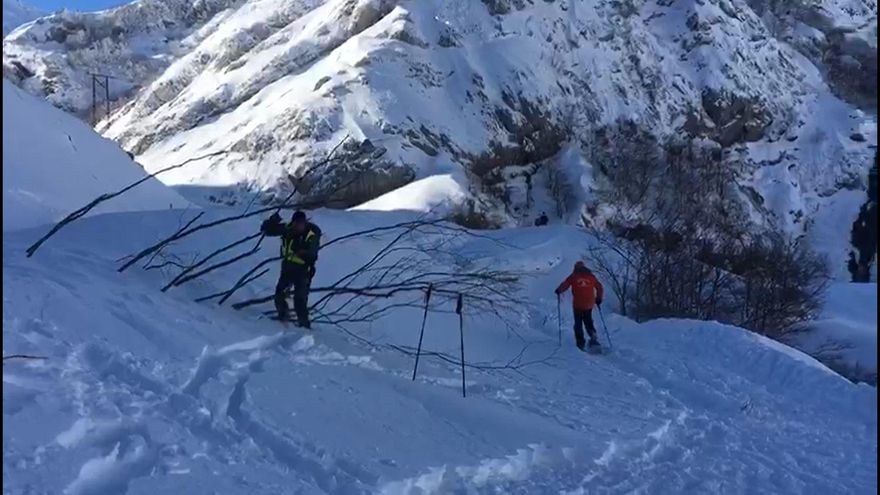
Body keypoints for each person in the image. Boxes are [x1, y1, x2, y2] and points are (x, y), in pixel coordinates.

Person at [261, 210, 322, 328]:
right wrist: (272, 222)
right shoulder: (288, 229)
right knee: (279, 294)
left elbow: (312, 254)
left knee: (299, 299)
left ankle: (304, 326)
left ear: (305, 223)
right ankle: (283, 316)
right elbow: (267, 231)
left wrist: (300, 250)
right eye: (296, 223)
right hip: (287, 267)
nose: (298, 226)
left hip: (303, 269)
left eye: (301, 224)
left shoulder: (311, 234)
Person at [555, 261, 604, 350]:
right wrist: (599, 299)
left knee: (578, 323)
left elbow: (565, 285)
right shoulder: (591, 276)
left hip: (578, 303)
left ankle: (580, 343)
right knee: (588, 320)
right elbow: (599, 287)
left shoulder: (573, 276)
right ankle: (593, 336)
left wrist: (558, 290)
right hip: (589, 303)